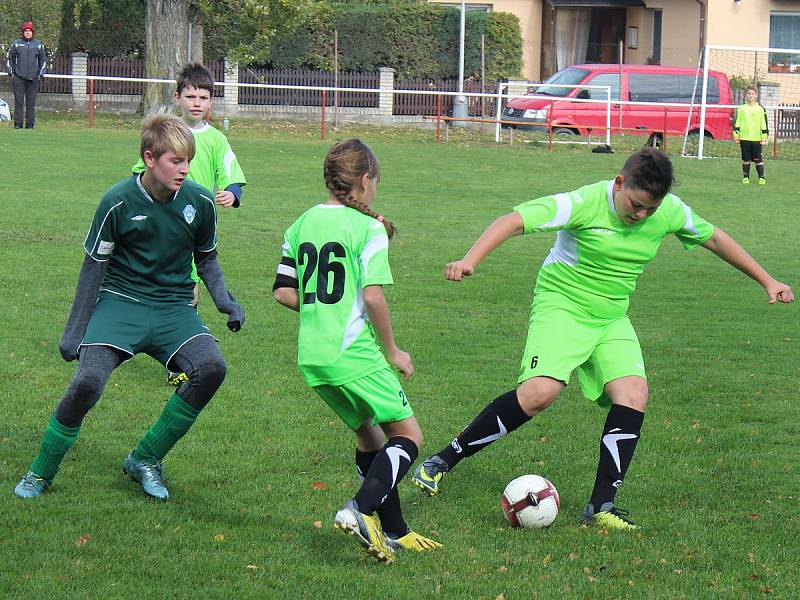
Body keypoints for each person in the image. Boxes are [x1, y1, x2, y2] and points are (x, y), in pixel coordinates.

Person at [412, 147, 793, 530]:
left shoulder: (671, 210)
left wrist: (767, 279)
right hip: (562, 306)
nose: (641, 215)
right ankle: (440, 462)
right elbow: (513, 221)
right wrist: (470, 259)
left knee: (633, 394)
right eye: (636, 205)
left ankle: (601, 507)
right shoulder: (584, 202)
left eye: (650, 210)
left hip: (611, 317)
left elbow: (714, 239)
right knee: (539, 394)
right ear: (619, 183)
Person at [14, 114, 245, 501]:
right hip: (121, 303)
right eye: (176, 161)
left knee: (211, 369)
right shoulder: (116, 201)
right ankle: (41, 471)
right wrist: (73, 332)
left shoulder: (201, 201)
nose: (184, 169)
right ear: (150, 158)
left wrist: (225, 300)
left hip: (173, 307)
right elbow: (93, 268)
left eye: (187, 160)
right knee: (87, 382)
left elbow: (207, 258)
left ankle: (145, 458)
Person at [273, 139, 441, 563]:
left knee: (371, 437)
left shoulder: (300, 224)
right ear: (365, 181)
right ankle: (358, 510)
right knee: (408, 436)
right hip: (353, 353)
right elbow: (373, 298)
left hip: (313, 355)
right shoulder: (367, 228)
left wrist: (322, 312)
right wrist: (393, 350)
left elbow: (284, 293)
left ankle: (396, 530)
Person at [133, 63, 247, 310]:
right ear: (177, 98)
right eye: (191, 96)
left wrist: (232, 193)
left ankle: (184, 324)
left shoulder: (216, 139)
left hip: (196, 222)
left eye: (203, 98)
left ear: (210, 102)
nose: (197, 103)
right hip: (162, 217)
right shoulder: (164, 133)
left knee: (191, 279)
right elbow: (140, 171)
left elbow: (232, 174)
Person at [5, 21, 46, 129]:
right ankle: (18, 125)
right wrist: (11, 72)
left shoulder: (38, 45)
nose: (27, 33)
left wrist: (40, 73)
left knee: (31, 103)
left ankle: (30, 125)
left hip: (33, 79)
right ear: (23, 32)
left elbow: (43, 60)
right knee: (18, 102)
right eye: (26, 31)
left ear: (33, 32)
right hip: (18, 78)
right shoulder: (16, 44)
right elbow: (10, 58)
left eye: (29, 31)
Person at [733, 85, 769, 185]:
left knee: (758, 159)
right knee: (746, 159)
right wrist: (736, 135)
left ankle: (761, 177)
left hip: (757, 139)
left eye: (753, 94)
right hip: (744, 138)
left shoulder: (761, 109)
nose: (750, 96)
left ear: (756, 95)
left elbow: (764, 123)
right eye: (749, 93)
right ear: (745, 95)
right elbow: (737, 122)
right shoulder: (741, 108)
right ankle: (745, 177)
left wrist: (764, 136)